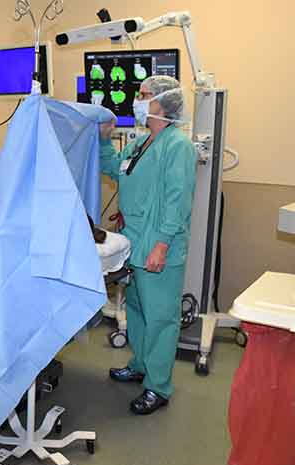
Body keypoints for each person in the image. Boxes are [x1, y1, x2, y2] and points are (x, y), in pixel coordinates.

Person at [99, 75, 197, 415]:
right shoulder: (141, 143)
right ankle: (140, 364)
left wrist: (162, 245)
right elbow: (115, 167)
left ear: (162, 103)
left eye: (143, 96)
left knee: (160, 318)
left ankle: (158, 387)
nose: (137, 101)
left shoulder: (177, 146)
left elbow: (177, 201)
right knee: (138, 310)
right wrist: (103, 140)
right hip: (135, 243)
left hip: (158, 246)